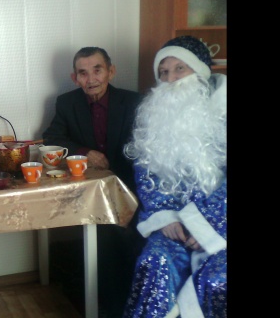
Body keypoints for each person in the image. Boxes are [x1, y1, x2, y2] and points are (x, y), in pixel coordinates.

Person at [122, 35, 227, 318]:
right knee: (154, 260)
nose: (170, 79)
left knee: (217, 279)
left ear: (200, 72)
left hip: (222, 227)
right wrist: (164, 216)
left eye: (180, 68)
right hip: (174, 224)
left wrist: (205, 227)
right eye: (163, 72)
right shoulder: (156, 118)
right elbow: (146, 172)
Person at [42, 46, 144, 317]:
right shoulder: (66, 103)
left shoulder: (133, 101)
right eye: (83, 73)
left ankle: (128, 302)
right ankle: (109, 304)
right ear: (75, 78)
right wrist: (84, 152)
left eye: (97, 70)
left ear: (111, 71)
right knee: (104, 236)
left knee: (127, 236)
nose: (91, 79)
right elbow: (52, 138)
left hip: (132, 186)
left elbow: (147, 147)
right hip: (91, 190)